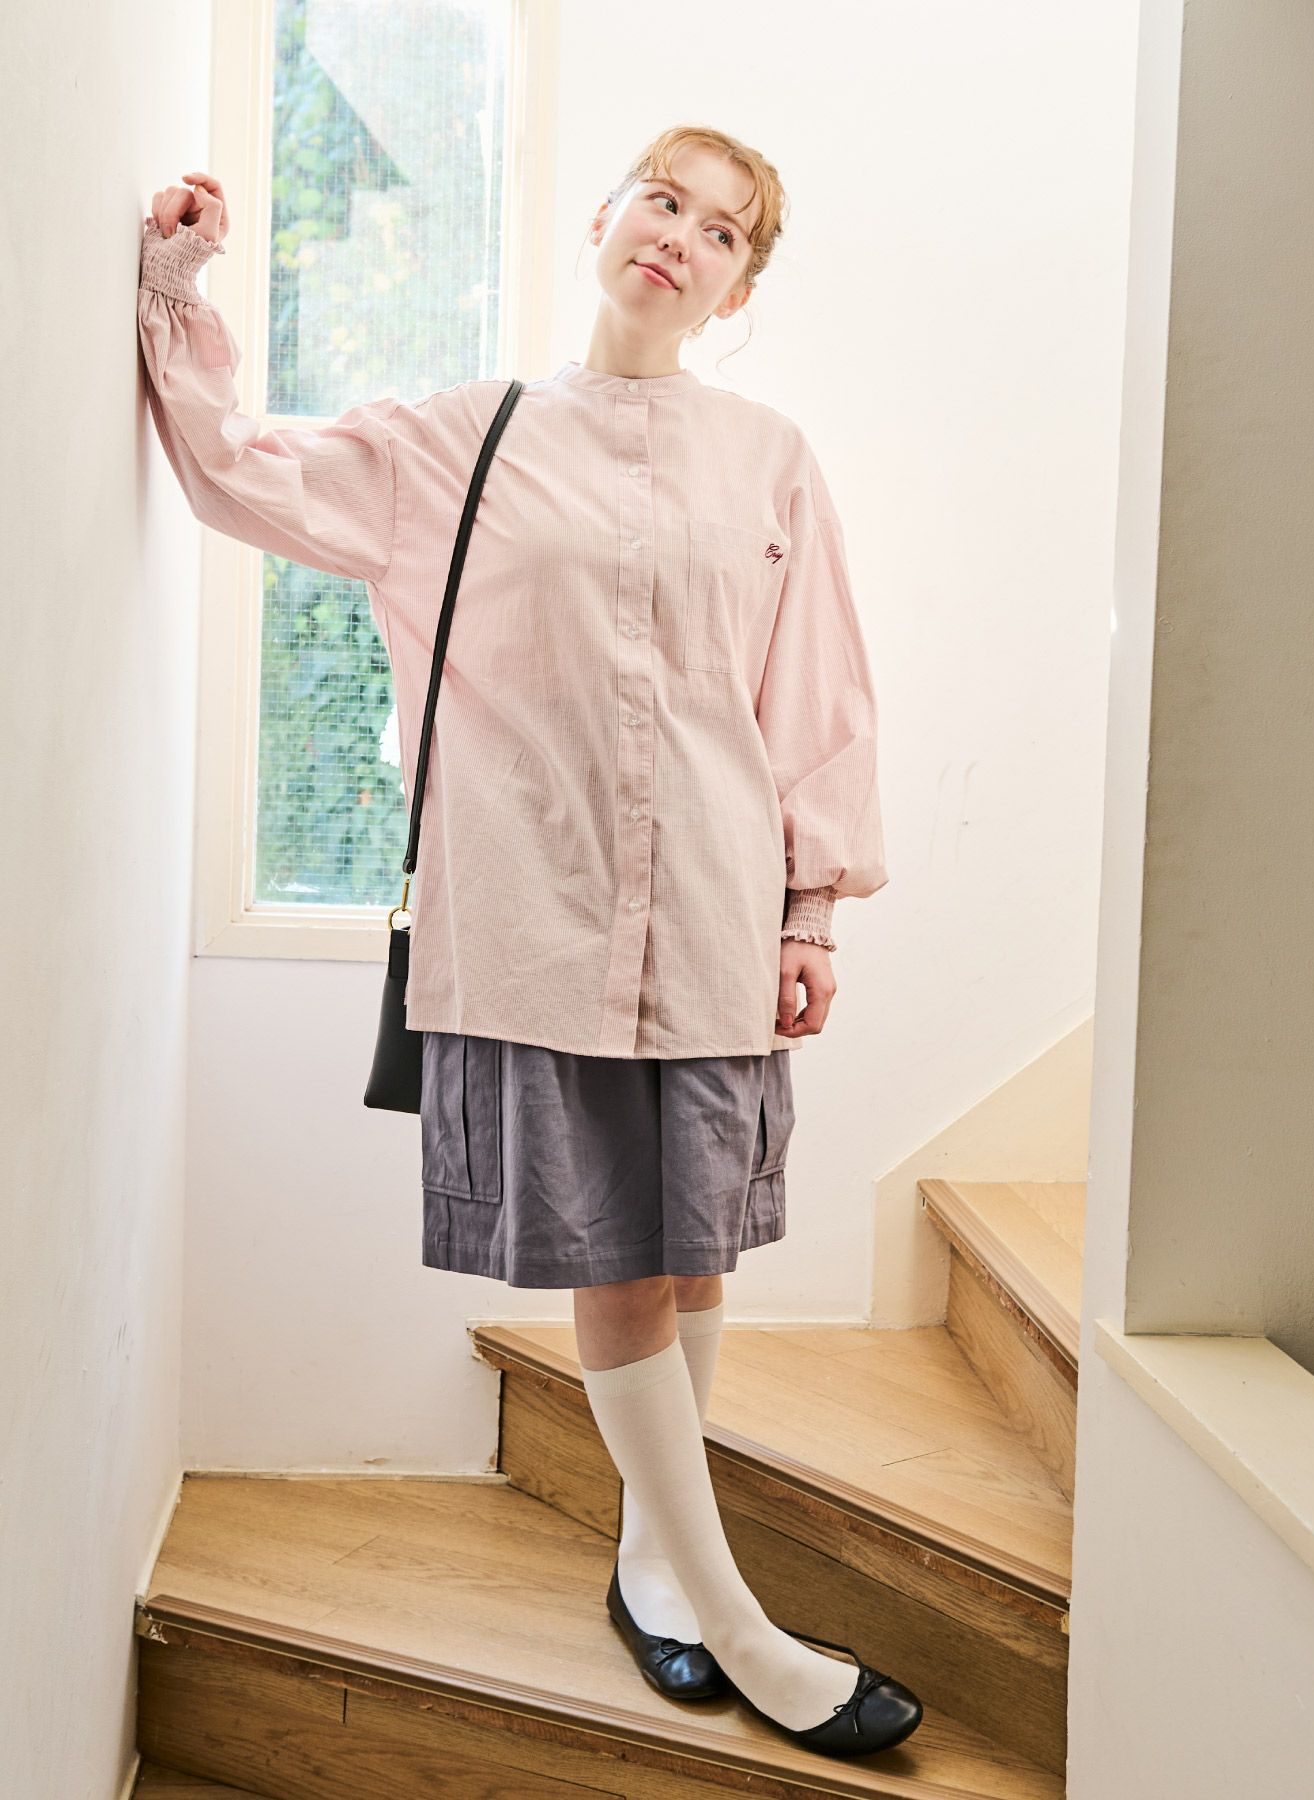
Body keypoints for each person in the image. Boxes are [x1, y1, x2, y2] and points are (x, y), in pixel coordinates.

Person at [139, 123, 915, 1759]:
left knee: (692, 1248)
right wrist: (180, 291)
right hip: (538, 922)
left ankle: (653, 1564)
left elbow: (817, 697)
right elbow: (238, 469)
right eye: (664, 201)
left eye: (722, 232)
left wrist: (812, 912)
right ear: (605, 218)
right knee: (615, 1255)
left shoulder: (768, 460)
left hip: (713, 913)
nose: (681, 237)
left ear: (737, 289)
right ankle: (745, 1628)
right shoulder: (462, 440)